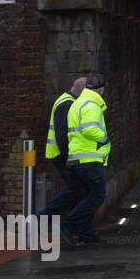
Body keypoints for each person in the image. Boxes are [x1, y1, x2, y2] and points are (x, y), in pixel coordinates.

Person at [64, 73, 112, 248]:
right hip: (90, 158)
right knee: (97, 195)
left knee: (86, 195)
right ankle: (67, 225)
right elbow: (90, 129)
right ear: (101, 89)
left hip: (77, 158)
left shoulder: (77, 103)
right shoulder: (92, 104)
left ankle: (86, 234)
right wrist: (104, 138)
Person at [39, 76, 87, 232]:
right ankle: (43, 217)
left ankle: (74, 227)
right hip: (61, 155)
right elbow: (62, 135)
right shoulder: (67, 104)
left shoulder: (67, 100)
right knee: (76, 187)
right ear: (82, 90)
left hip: (62, 154)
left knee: (77, 188)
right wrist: (69, 157)